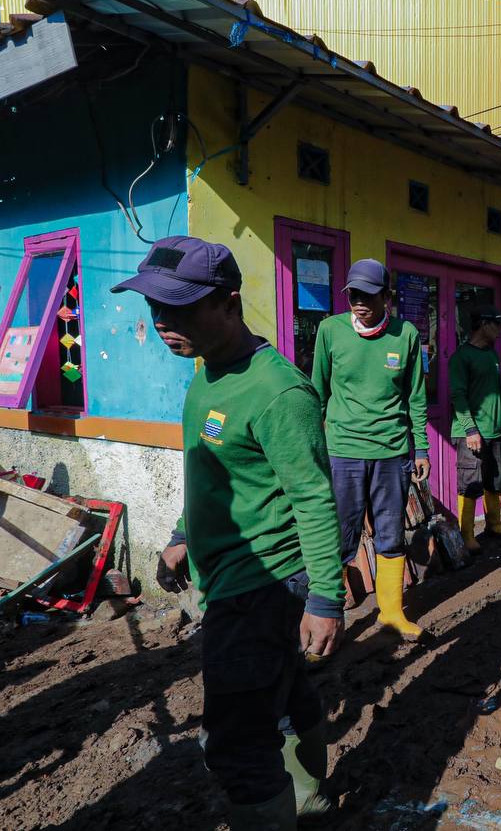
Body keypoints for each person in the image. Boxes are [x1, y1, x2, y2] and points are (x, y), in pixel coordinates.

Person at [115, 237, 344, 828]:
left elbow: (316, 500)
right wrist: (182, 532)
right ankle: (313, 803)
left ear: (230, 303)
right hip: (229, 578)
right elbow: (211, 472)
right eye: (155, 309)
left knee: (238, 744)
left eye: (180, 308)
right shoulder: (208, 371)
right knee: (290, 695)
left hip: (263, 586)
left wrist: (325, 598)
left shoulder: (278, 392)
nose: (164, 323)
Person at [311, 259, 432, 643]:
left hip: (392, 453)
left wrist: (422, 448)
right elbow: (318, 393)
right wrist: (313, 447)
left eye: (368, 295)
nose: (359, 302)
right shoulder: (329, 331)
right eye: (354, 295)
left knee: (390, 533)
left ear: (386, 297)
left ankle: (393, 613)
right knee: (338, 536)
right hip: (343, 451)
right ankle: (328, 616)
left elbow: (416, 397)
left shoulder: (405, 335)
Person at [449, 304, 501, 553]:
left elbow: (495, 394)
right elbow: (458, 395)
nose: (500, 331)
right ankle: (466, 534)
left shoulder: (491, 354)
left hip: (495, 430)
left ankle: (494, 525)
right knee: (469, 482)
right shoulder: (461, 357)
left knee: (495, 479)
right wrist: (470, 430)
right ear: (485, 325)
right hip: (471, 432)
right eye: (497, 325)